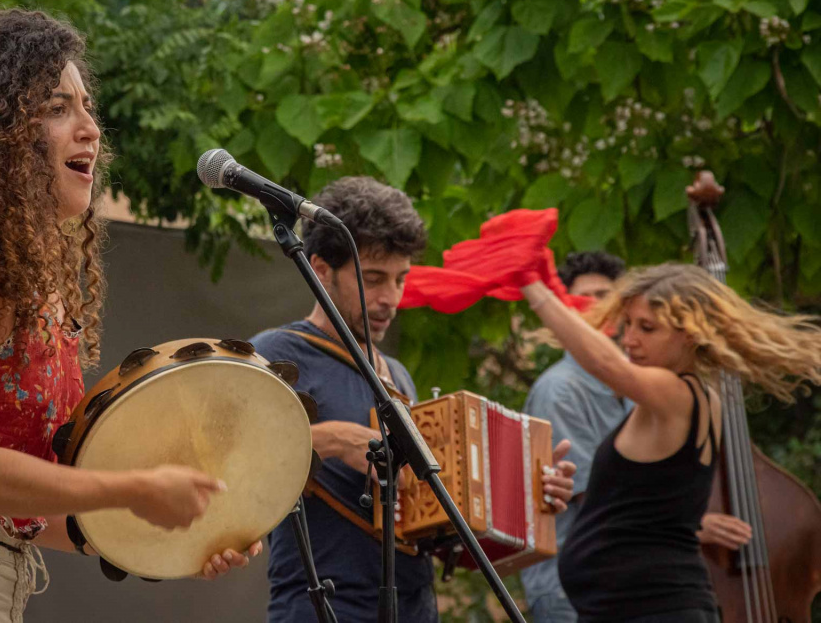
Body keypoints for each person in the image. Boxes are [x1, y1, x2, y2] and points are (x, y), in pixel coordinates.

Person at [0, 9, 258, 623]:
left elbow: (31, 512)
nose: (90, 129)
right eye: (58, 108)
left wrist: (186, 535)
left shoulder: (39, 294)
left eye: (87, 107)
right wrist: (138, 487)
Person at [250, 177, 576, 622]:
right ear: (321, 269)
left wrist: (529, 495)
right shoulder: (274, 354)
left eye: (401, 280)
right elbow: (228, 465)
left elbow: (428, 525)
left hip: (415, 607)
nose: (390, 299)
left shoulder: (396, 375)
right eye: (374, 279)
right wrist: (328, 440)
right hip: (321, 606)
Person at [518, 263, 821, 623]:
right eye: (627, 324)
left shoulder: (677, 394)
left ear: (690, 335)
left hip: (653, 608)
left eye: (647, 328)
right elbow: (643, 507)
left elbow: (606, 364)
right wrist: (563, 486)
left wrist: (532, 286)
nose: (629, 339)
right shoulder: (681, 400)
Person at [521, 252, 632, 622]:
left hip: (620, 585)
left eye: (607, 295)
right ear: (562, 311)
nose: (598, 306)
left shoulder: (632, 384)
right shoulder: (560, 389)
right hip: (570, 591)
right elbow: (600, 496)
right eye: (585, 297)